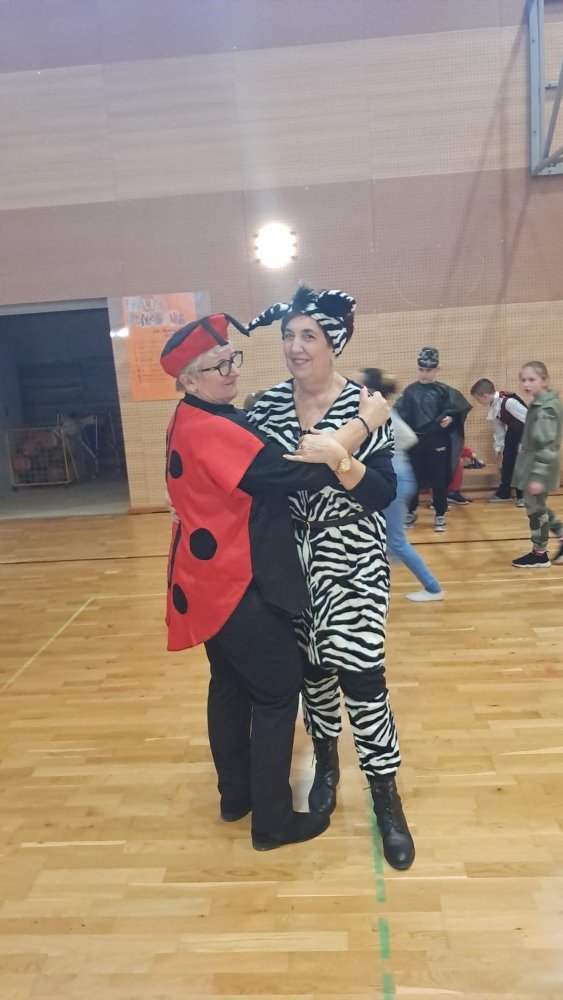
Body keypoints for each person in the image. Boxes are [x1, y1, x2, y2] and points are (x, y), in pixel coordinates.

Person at [160, 312, 387, 852]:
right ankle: (273, 822)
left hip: (205, 581)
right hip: (237, 585)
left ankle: (236, 797)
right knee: (277, 694)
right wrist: (362, 423)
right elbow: (301, 474)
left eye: (232, 359)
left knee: (229, 685)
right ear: (189, 380)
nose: (232, 372)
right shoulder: (213, 428)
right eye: (219, 367)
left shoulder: (190, 416)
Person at [245, 285, 415, 870]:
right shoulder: (267, 407)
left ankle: (386, 796)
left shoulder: (364, 404)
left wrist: (341, 454)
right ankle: (326, 763)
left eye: (308, 336)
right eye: (288, 335)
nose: (295, 347)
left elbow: (381, 491)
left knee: (363, 677)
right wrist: (352, 438)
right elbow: (264, 476)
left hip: (353, 556)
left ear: (333, 343)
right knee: (312, 674)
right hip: (289, 558)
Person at [359, 368, 443, 603]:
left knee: (395, 540)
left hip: (395, 483)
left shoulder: (382, 415)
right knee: (380, 536)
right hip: (396, 480)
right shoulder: (382, 412)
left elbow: (408, 438)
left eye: (361, 386)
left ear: (371, 390)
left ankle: (433, 588)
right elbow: (409, 438)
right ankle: (386, 561)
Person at [395, 348, 472, 532]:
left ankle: (440, 512)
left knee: (439, 478)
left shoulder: (444, 391)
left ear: (437, 369)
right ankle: (410, 511)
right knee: (412, 477)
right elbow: (400, 415)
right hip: (415, 442)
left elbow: (458, 410)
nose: (424, 373)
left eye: (429, 370)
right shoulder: (410, 391)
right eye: (421, 369)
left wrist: (451, 419)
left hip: (437, 441)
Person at [511, 361, 563, 568]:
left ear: (545, 380)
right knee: (536, 508)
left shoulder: (545, 408)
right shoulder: (539, 403)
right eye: (523, 380)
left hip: (539, 467)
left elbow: (547, 445)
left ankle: (540, 554)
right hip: (533, 464)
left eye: (532, 379)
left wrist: (538, 476)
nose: (526, 384)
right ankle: (545, 547)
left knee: (536, 510)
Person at [470, 377, 527, 506]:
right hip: (512, 432)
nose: (478, 402)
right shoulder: (494, 405)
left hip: (524, 432)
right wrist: (499, 449)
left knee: (520, 464)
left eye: (478, 399)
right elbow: (499, 429)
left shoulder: (508, 402)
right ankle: (504, 493)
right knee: (507, 463)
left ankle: (522, 496)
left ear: (485, 396)